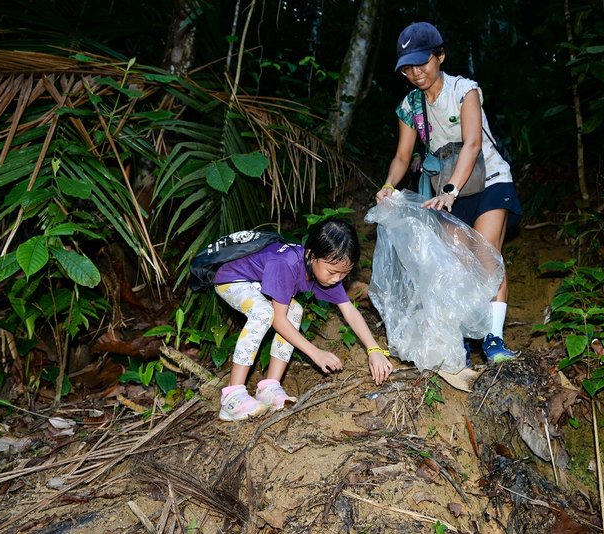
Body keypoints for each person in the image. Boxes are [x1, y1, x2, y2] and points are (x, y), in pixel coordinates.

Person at [375, 21, 523, 364]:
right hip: (445, 190)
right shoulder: (410, 106)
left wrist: (451, 191)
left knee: (487, 258)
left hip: (489, 180)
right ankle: (463, 340)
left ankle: (494, 340)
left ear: (439, 56)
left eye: (421, 62)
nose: (416, 73)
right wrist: (387, 186)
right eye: (408, 67)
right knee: (456, 266)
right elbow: (402, 156)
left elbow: (472, 144)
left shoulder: (464, 91)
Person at [212, 219, 394, 421]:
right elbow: (278, 321)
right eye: (332, 272)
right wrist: (316, 353)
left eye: (345, 274)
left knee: (294, 310)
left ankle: (269, 387)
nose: (337, 279)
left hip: (256, 282)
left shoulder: (325, 273)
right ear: (311, 255)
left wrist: (373, 349)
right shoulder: (287, 263)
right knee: (264, 313)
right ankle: (232, 396)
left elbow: (349, 310)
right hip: (232, 279)